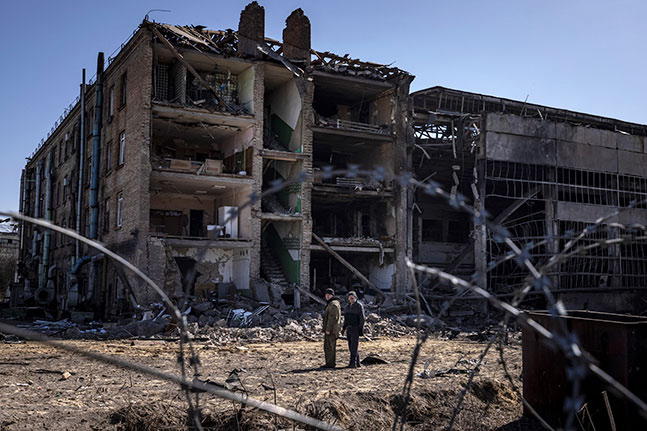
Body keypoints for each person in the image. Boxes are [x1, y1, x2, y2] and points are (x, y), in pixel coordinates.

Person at [341, 291, 365, 368]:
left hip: (355, 328)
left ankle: (352, 363)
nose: (351, 299)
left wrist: (360, 328)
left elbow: (362, 318)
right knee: (350, 346)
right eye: (350, 297)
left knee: (354, 346)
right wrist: (344, 328)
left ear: (355, 297)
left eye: (352, 297)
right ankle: (357, 362)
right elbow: (346, 319)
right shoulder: (347, 307)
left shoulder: (359, 306)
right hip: (349, 328)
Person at [321, 288, 341, 368]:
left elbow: (332, 318)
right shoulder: (331, 303)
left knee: (330, 347)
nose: (327, 296)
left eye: (329, 295)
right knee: (328, 347)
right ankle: (329, 363)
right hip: (331, 329)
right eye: (326, 295)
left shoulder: (333, 304)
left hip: (332, 330)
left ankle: (330, 363)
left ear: (332, 295)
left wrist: (328, 329)